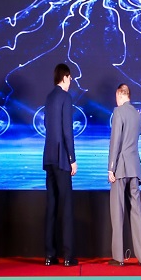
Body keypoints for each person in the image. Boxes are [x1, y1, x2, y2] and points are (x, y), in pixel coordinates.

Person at [107, 84, 141, 267]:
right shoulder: (137, 114)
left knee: (117, 210)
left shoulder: (118, 112)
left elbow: (115, 141)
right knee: (137, 210)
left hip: (121, 167)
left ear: (119, 94)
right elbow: (140, 131)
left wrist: (111, 167)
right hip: (134, 168)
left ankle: (118, 257)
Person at [42, 63, 78, 267]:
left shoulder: (48, 98)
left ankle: (49, 255)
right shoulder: (66, 97)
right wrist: (72, 159)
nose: (71, 81)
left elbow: (47, 125)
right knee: (66, 207)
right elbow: (67, 131)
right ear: (64, 77)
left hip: (48, 158)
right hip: (63, 159)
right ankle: (68, 256)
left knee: (52, 207)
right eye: (70, 78)